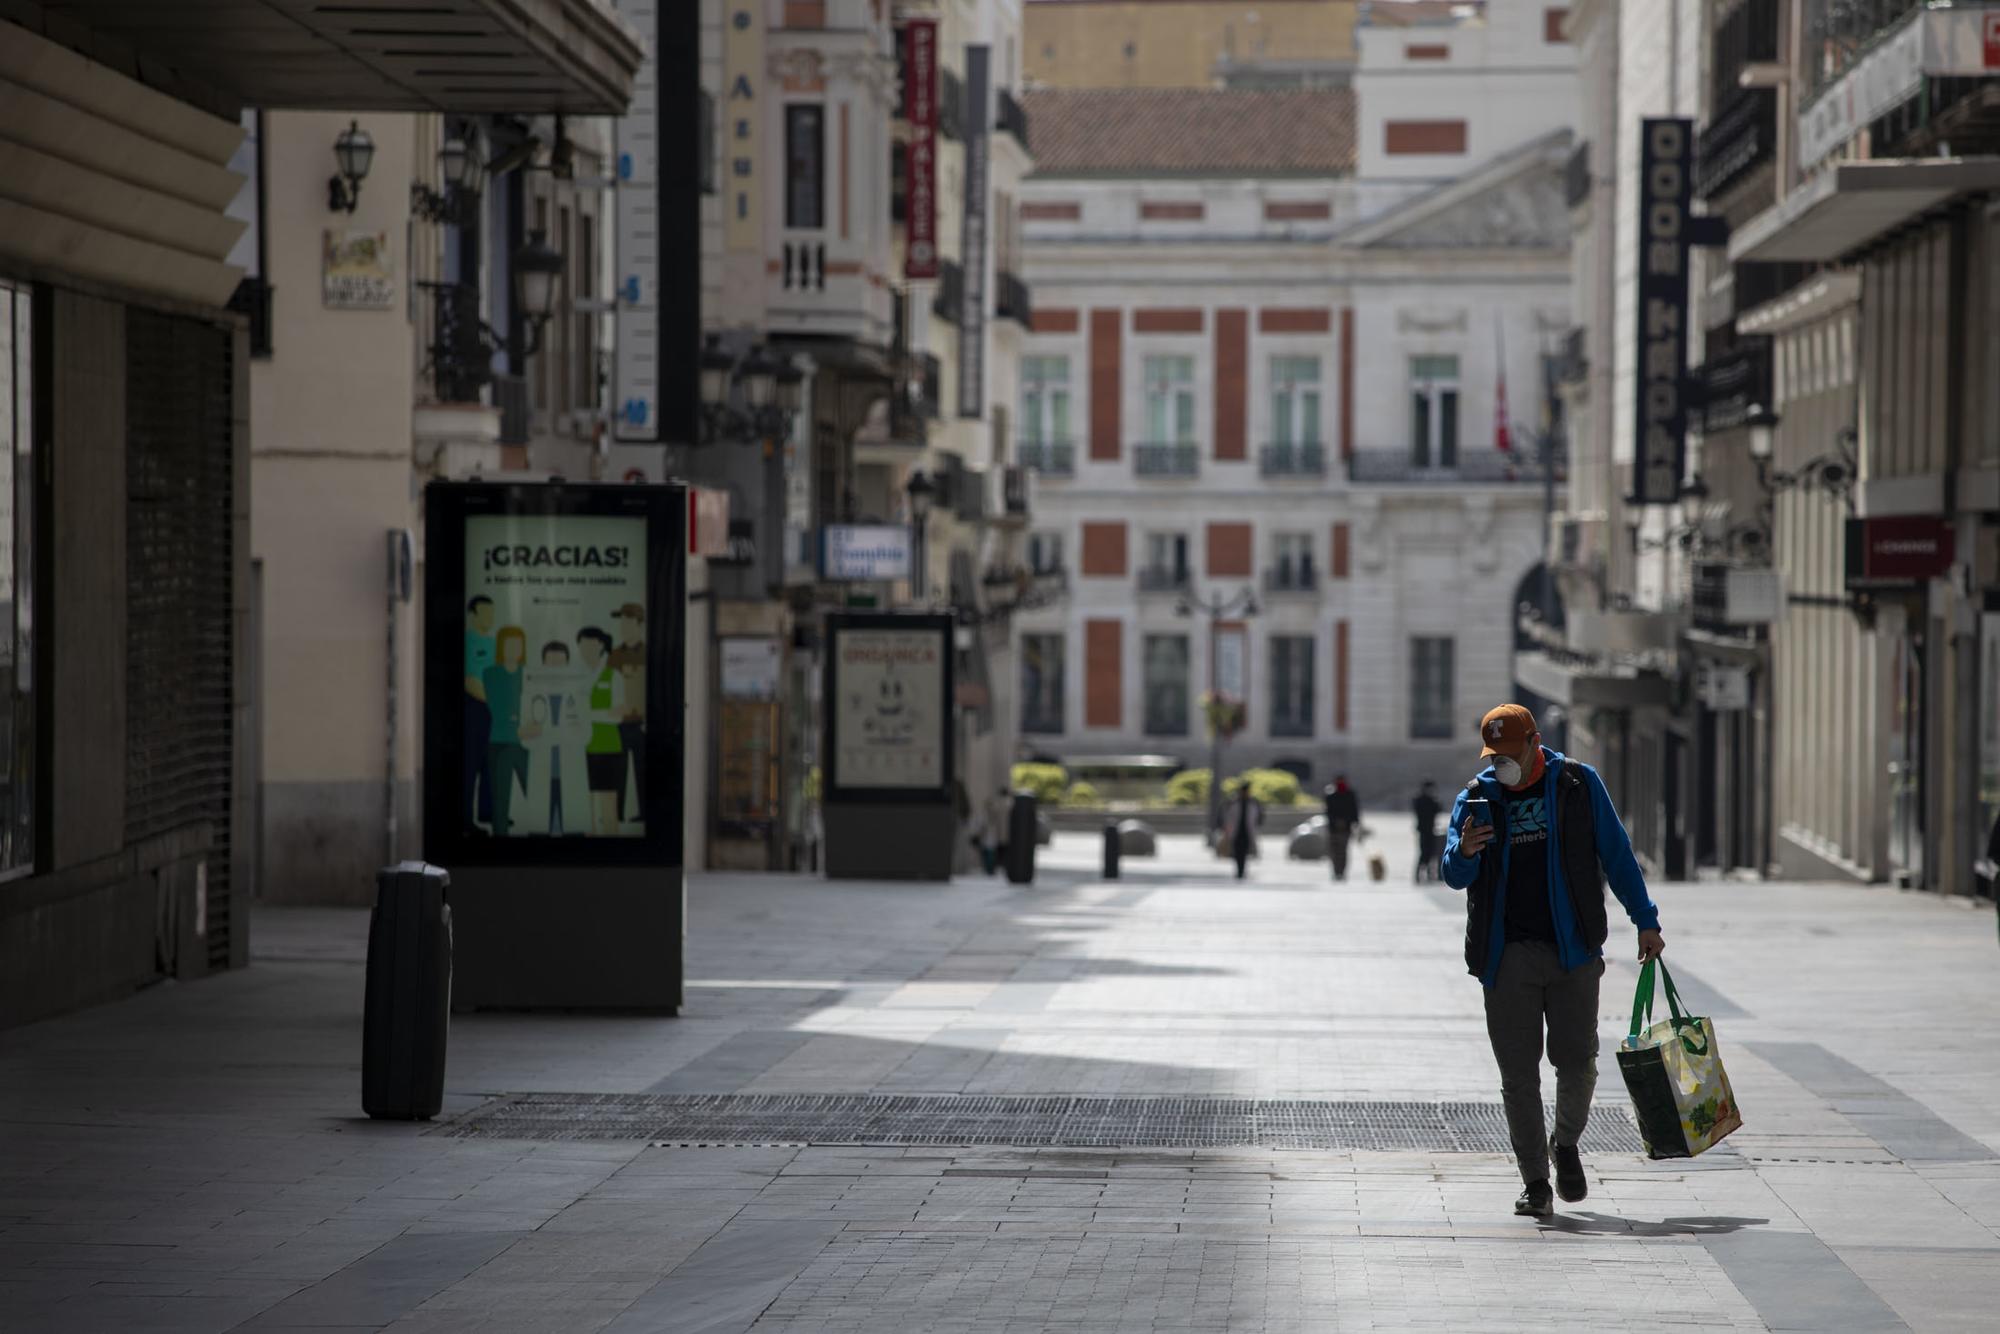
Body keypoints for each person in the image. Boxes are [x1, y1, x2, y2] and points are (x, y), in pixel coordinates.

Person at [1442, 703, 1665, 1219]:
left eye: (1510, 752)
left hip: (1573, 953)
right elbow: (1452, 874)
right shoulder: (1476, 797)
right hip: (1507, 959)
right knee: (1518, 1077)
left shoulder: (1578, 786)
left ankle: (1565, 1144)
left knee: (1578, 1063)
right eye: (1493, 754)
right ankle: (1536, 1182)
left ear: (1535, 742)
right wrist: (1466, 853)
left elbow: (1617, 854)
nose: (1502, 763)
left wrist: (1645, 919)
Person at [481, 626, 531, 838]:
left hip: (525, 743)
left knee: (536, 792)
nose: (514, 648)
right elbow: (496, 708)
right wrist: (515, 718)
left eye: (518, 644)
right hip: (498, 742)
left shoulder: (528, 674)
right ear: (502, 646)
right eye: (510, 644)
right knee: (500, 800)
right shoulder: (491, 674)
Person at [577, 626, 624, 835]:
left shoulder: (613, 676)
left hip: (607, 747)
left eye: (590, 644)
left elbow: (619, 714)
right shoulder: (577, 677)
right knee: (587, 810)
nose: (585, 650)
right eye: (582, 645)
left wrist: (588, 713)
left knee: (607, 806)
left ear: (601, 645)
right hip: (580, 748)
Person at [463, 595, 497, 831]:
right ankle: (465, 819)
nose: (489, 617)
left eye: (491, 612)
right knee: (471, 765)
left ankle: (487, 813)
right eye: (484, 612)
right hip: (476, 709)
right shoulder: (469, 642)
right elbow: (471, 681)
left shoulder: (495, 643)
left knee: (490, 763)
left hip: (496, 711)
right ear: (473, 615)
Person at [1323, 777, 1360, 881]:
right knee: (1334, 851)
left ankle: (1341, 871)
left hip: (1345, 828)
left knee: (1342, 851)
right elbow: (1328, 812)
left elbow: (1354, 810)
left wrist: (1354, 822)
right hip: (1334, 828)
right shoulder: (1331, 795)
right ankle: (1336, 871)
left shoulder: (1350, 795)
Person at [1226, 784, 1263, 880]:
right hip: (1236, 832)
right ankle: (1239, 870)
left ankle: (1242, 870)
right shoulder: (1234, 803)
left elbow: (1259, 817)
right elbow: (1229, 817)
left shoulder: (1253, 803)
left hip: (1247, 832)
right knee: (1237, 852)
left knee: (1245, 852)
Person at [1413, 781, 1444, 883]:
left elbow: (1439, 809)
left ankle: (1429, 875)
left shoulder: (1428, 800)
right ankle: (1418, 875)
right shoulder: (1421, 800)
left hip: (1430, 830)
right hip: (1424, 830)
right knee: (1424, 853)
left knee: (1431, 853)